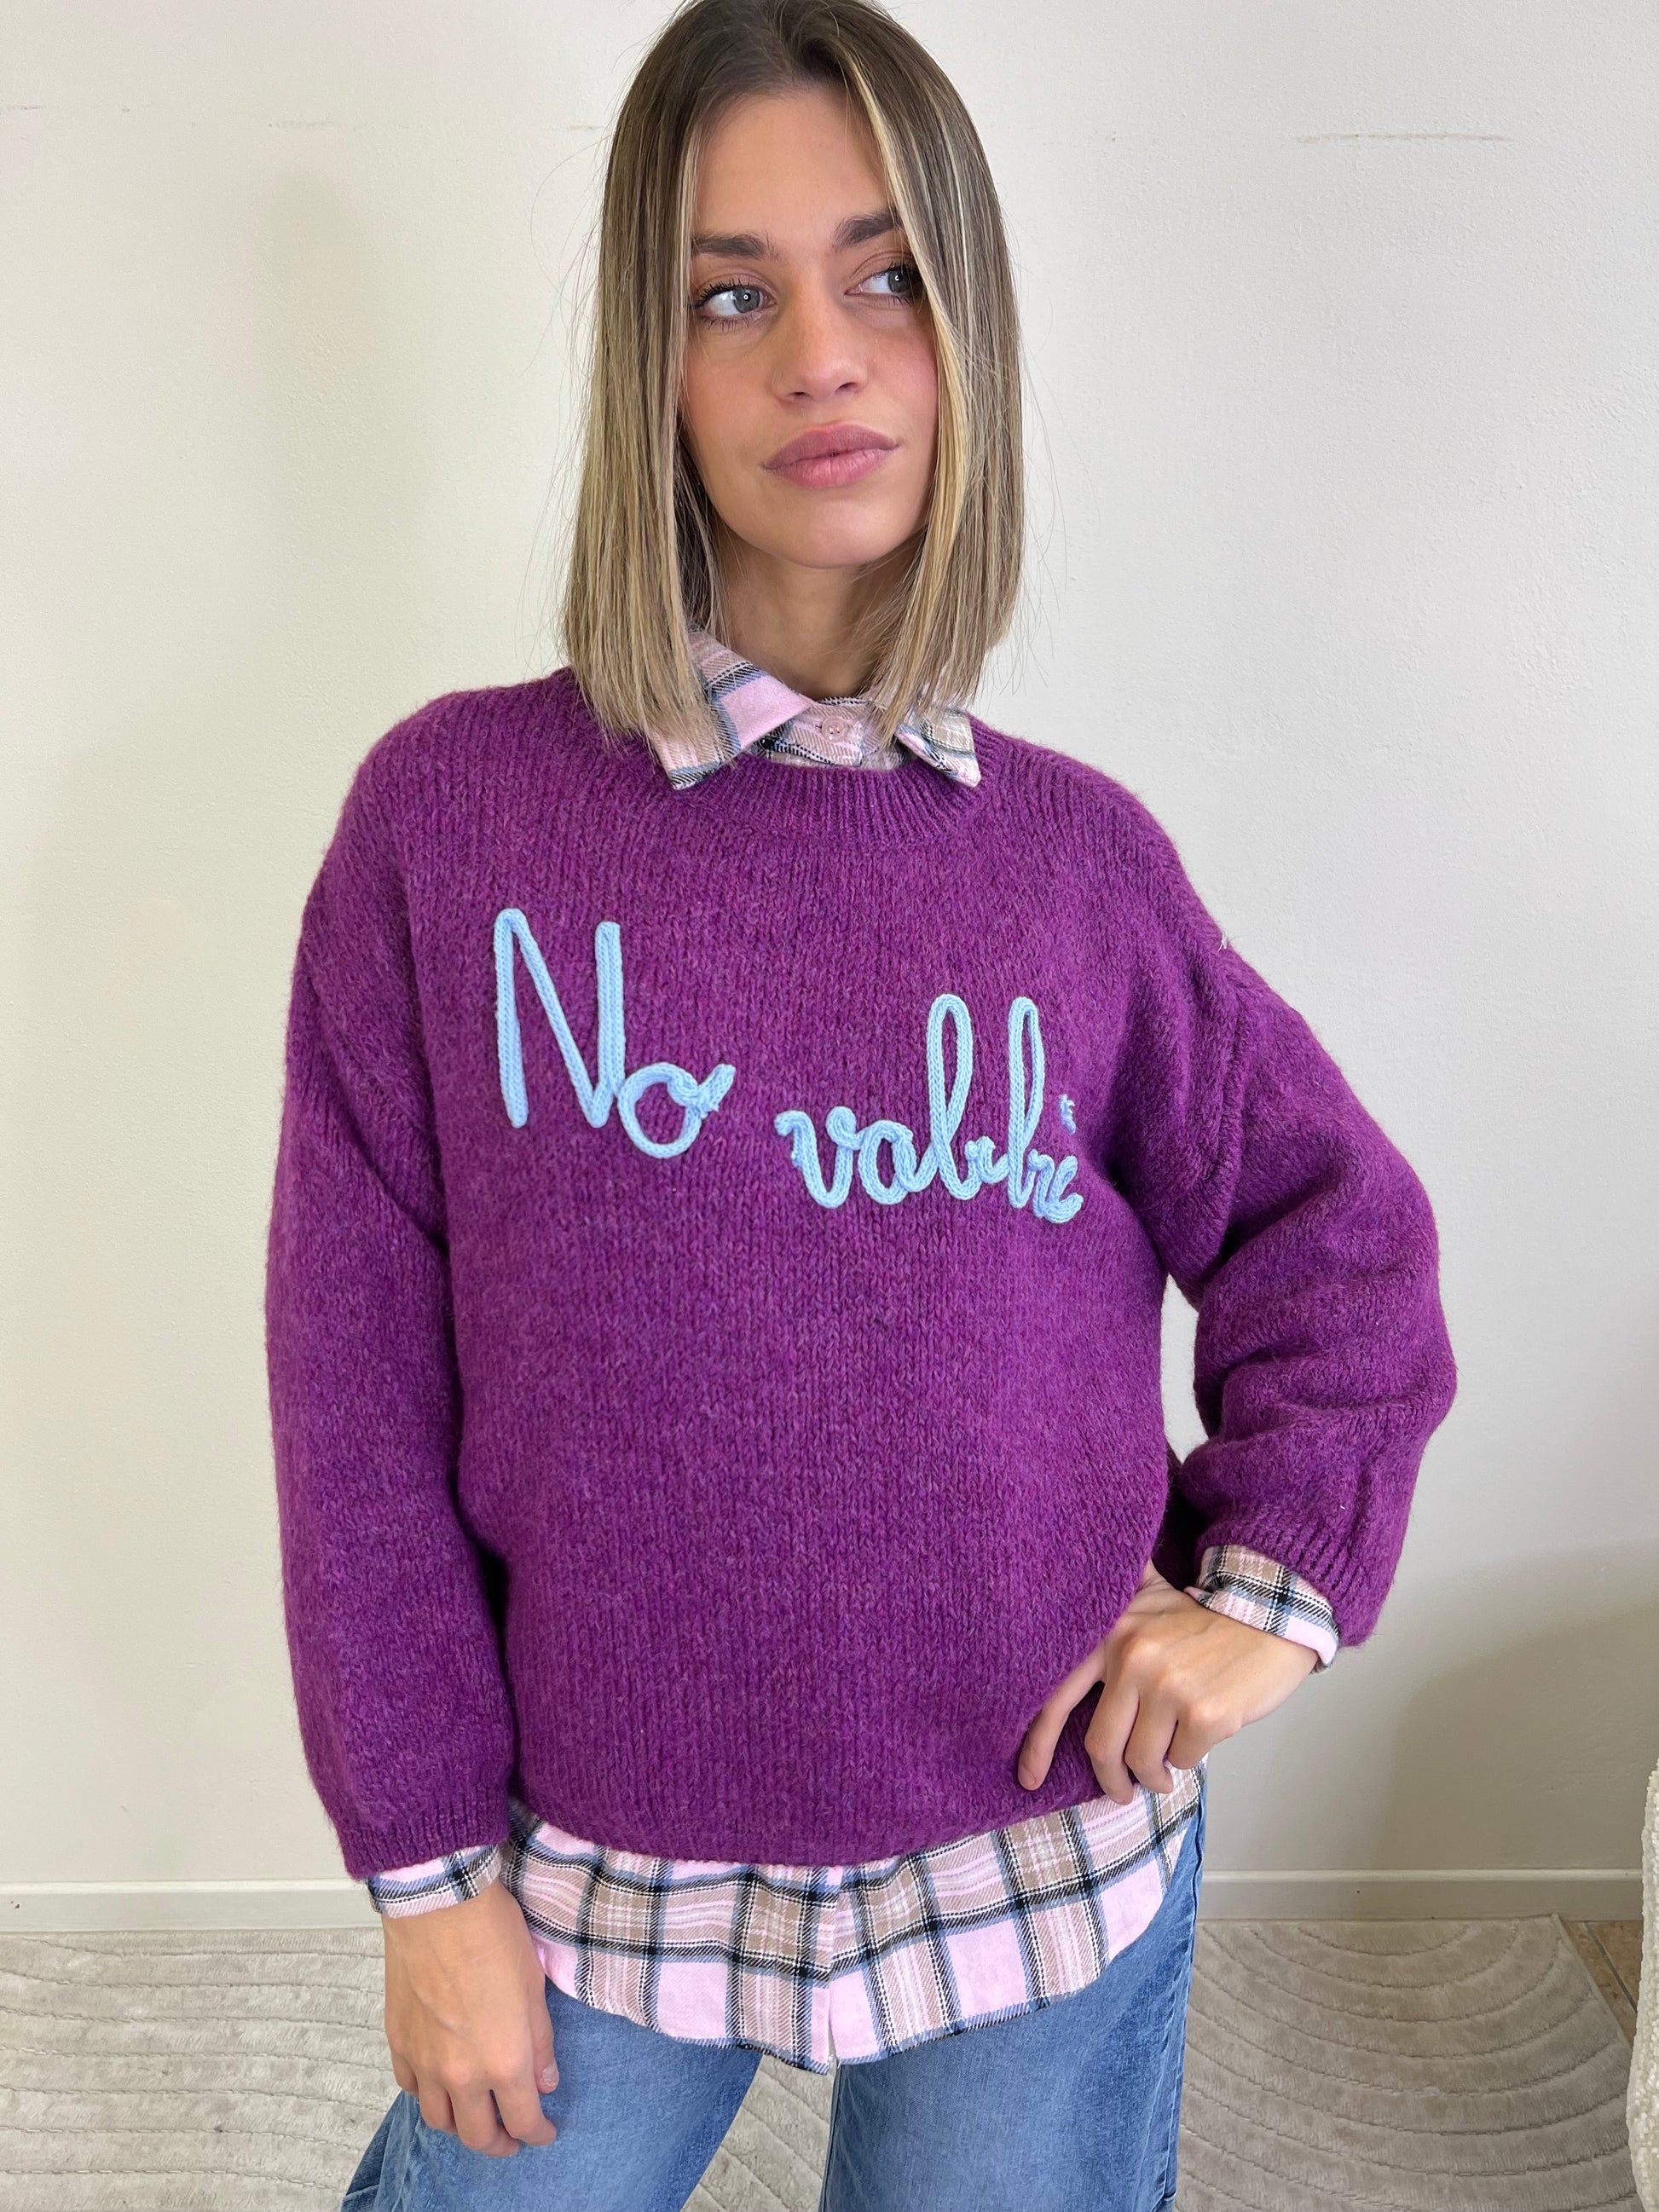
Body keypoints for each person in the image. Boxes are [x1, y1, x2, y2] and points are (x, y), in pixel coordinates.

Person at [262, 2, 1458, 2207]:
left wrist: (1270, 1585)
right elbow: (355, 1407)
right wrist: (428, 1882)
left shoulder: (1076, 866)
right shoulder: (448, 828)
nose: (820, 355)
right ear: (650, 368)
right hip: (594, 1868)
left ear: (966, 330)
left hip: (1037, 1859)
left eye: (886, 275)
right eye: (732, 294)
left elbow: (1336, 1234)